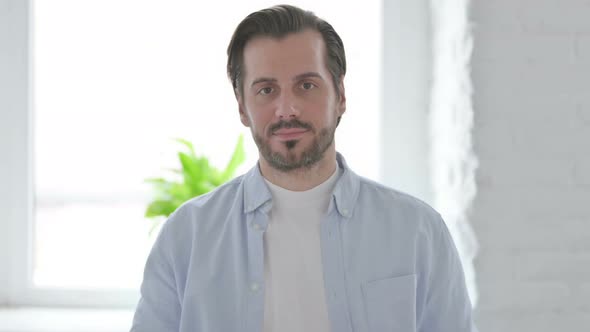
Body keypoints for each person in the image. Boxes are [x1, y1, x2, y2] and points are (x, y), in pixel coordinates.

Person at [131, 4, 476, 332]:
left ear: (340, 95)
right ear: (242, 107)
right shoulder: (186, 237)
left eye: (306, 85)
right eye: (266, 90)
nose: (287, 109)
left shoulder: (418, 231)